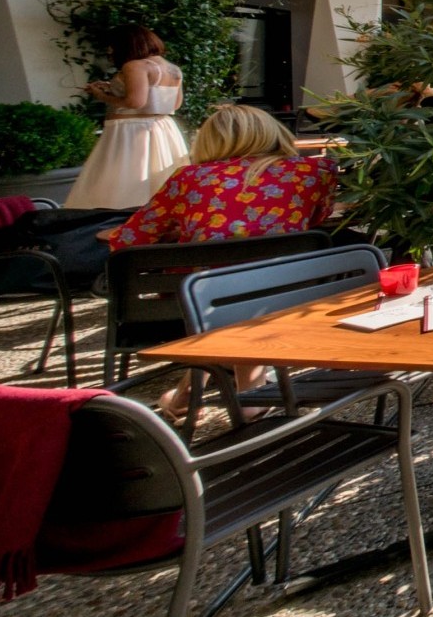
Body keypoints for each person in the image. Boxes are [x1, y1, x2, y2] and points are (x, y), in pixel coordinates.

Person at [106, 104, 340, 421]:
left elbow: (127, 240)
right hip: (287, 292)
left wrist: (185, 228)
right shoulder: (315, 172)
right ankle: (236, 392)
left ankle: (203, 390)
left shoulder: (187, 178)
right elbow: (316, 218)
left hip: (197, 302)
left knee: (221, 284)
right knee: (249, 285)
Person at [64, 27, 188, 209]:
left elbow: (135, 101)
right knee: (158, 180)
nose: (111, 51)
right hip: (164, 128)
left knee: (123, 178)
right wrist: (111, 86)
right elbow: (175, 104)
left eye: (113, 47)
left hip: (131, 129)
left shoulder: (135, 66)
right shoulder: (173, 69)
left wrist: (101, 96)